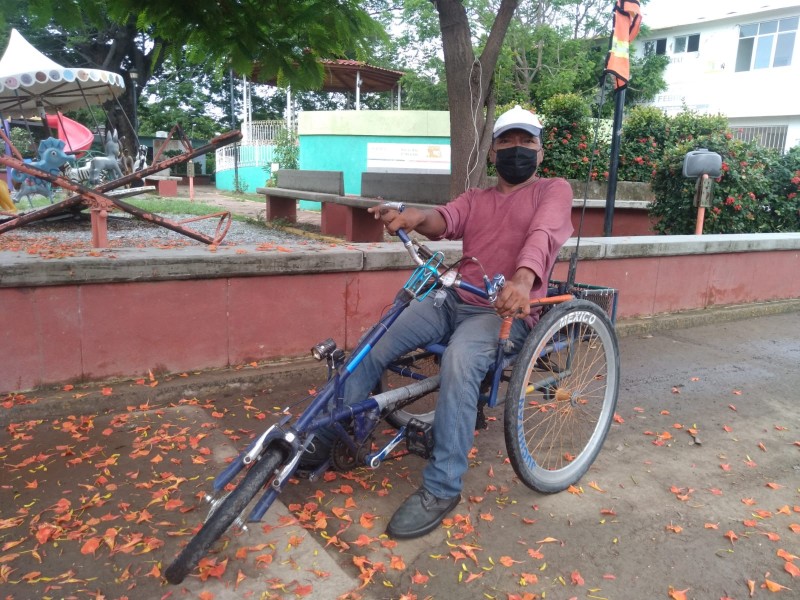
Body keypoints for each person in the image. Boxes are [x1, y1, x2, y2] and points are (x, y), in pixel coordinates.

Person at [305, 105, 574, 539]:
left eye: (527, 142)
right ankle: (334, 431)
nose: (517, 149)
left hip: (504, 313)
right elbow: (444, 220)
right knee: (377, 340)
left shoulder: (553, 190)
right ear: (492, 153)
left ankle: (443, 486)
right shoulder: (478, 197)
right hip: (454, 299)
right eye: (507, 141)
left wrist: (524, 280)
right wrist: (411, 215)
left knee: (460, 362)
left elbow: (543, 234)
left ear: (540, 152)